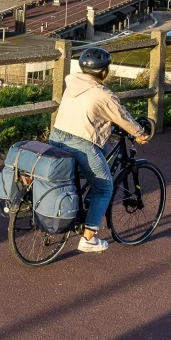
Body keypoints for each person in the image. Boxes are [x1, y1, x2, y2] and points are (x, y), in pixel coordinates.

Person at [49, 47, 150, 253]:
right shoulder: (104, 95)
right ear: (104, 72)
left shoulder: (73, 83)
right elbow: (123, 117)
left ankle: (80, 205)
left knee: (99, 155)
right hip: (81, 143)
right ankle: (88, 239)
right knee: (104, 188)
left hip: (57, 137)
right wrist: (140, 133)